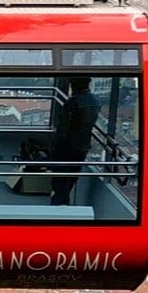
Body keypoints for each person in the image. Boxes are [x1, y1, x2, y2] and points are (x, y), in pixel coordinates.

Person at [50, 77, 99, 205]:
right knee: (71, 178)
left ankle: (58, 207)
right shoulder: (94, 100)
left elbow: (63, 128)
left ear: (73, 86)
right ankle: (64, 206)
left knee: (60, 180)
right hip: (82, 146)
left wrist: (55, 145)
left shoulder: (73, 102)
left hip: (67, 146)